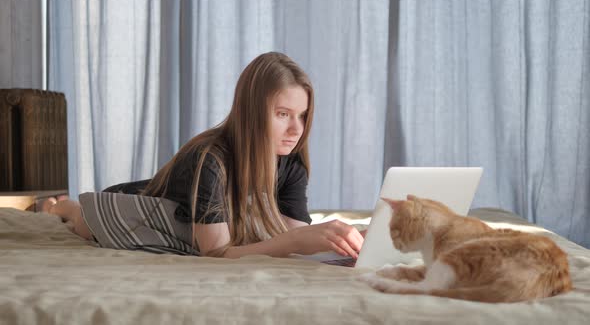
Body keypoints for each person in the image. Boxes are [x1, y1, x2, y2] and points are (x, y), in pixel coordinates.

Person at [41, 52, 364, 259]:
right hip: (147, 209)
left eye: (303, 115)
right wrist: (297, 241)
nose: (297, 128)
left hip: (199, 216)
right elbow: (217, 253)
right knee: (80, 222)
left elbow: (291, 230)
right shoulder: (209, 160)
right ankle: (59, 204)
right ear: (252, 113)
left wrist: (343, 240)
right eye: (283, 114)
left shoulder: (290, 161)